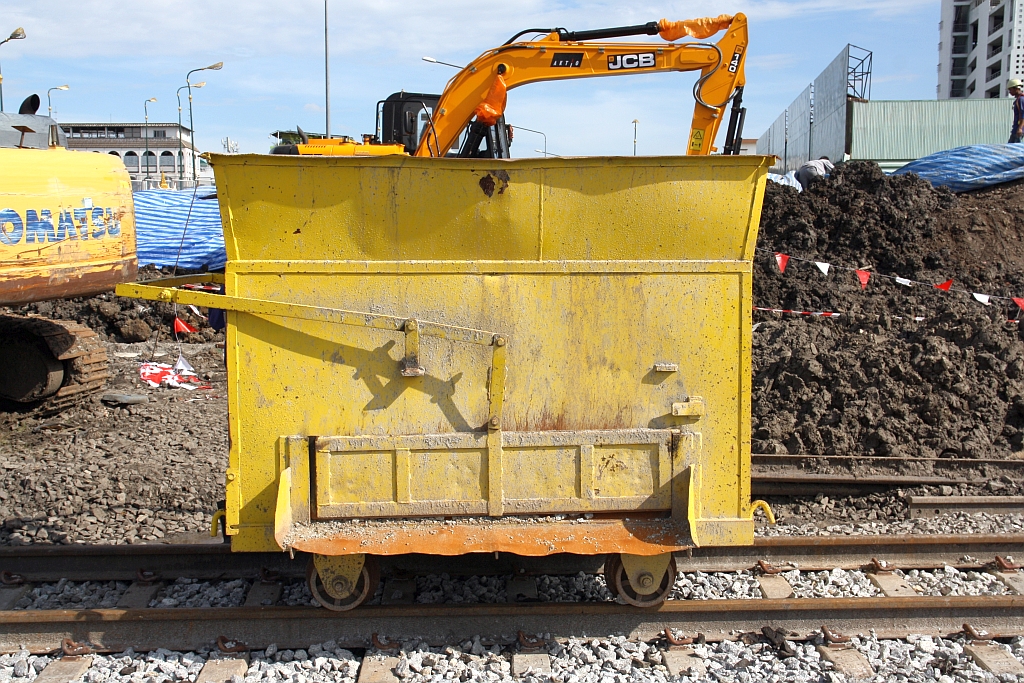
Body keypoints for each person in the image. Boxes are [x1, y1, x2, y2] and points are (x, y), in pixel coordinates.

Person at [1008, 78, 1024, 143]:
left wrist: (1020, 128)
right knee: (1009, 148)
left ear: (1016, 88)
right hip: (1015, 129)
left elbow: (1023, 115)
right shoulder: (1017, 100)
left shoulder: (1021, 100)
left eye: (1010, 89)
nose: (1009, 91)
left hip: (1018, 130)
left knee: (1015, 150)